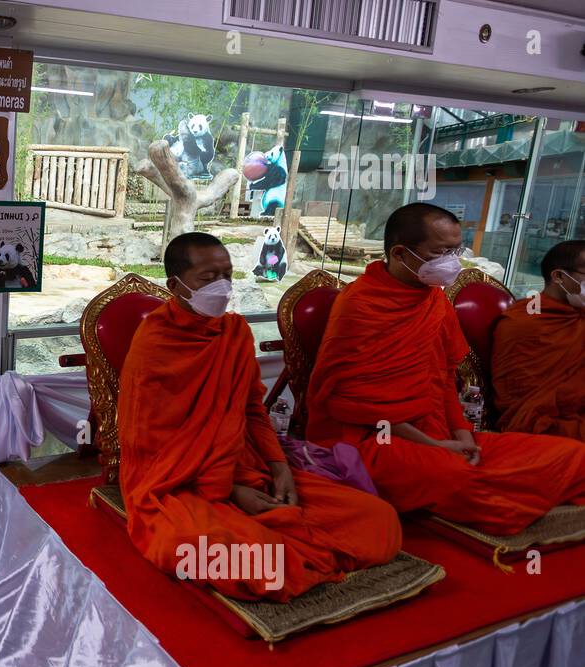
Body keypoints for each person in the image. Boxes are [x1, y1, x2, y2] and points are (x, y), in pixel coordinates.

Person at [117, 232, 401, 602]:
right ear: (176, 285)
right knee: (210, 553)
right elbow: (147, 444)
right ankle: (291, 550)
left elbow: (252, 408)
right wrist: (231, 490)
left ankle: (292, 546)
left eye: (227, 275)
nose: (222, 286)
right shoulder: (155, 342)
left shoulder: (234, 332)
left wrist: (279, 467)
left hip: (246, 466)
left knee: (379, 520)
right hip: (175, 482)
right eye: (208, 278)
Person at [307, 203, 585, 535]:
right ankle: (503, 497)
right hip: (372, 439)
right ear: (400, 253)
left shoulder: (434, 302)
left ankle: (500, 495)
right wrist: (435, 447)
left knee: (574, 455)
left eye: (456, 249)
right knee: (455, 476)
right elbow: (354, 407)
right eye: (440, 252)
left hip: (437, 430)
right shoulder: (361, 305)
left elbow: (441, 381)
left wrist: (463, 436)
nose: (451, 261)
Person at [491, 239, 585, 439]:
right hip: (548, 422)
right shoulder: (525, 322)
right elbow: (523, 399)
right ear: (559, 276)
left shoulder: (579, 313)